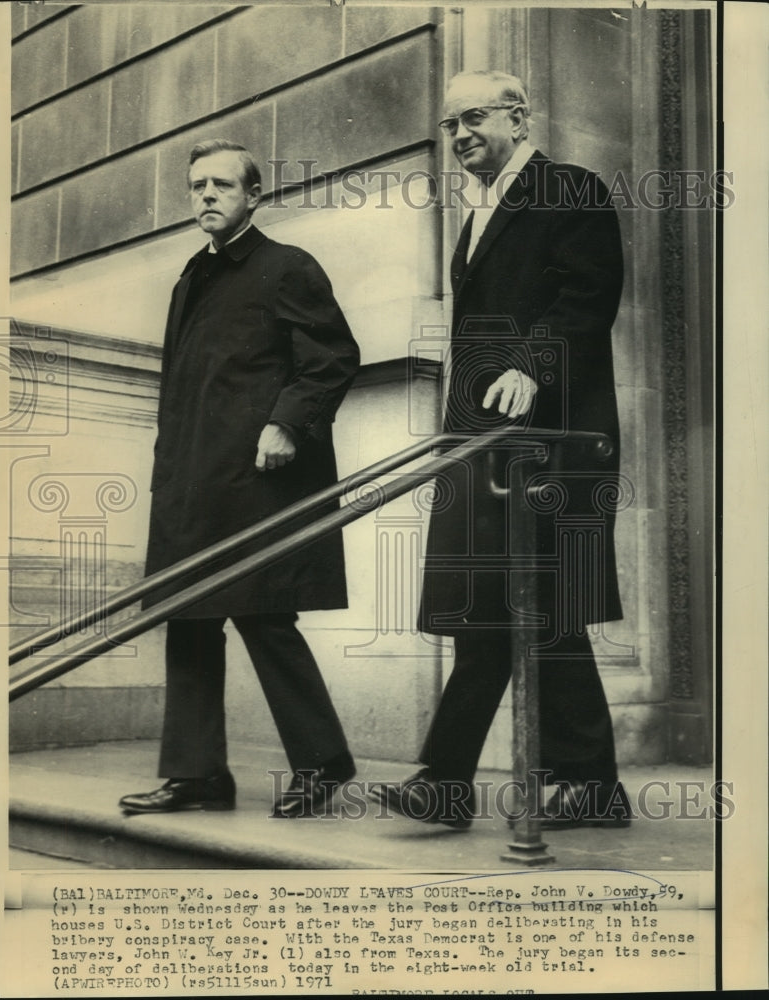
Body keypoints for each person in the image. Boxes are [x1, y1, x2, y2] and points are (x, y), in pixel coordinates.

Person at [369, 70, 631, 830]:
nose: (459, 136)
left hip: (550, 442)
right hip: (486, 447)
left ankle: (576, 782)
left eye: (473, 118)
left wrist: (530, 365)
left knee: (542, 609)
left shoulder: (569, 189)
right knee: (488, 611)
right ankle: (454, 783)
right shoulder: (477, 216)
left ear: (519, 117)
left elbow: (588, 298)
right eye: (450, 126)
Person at [119, 139, 360, 818]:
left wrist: (287, 422)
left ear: (254, 195)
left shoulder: (287, 267)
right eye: (197, 186)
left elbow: (334, 357)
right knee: (187, 619)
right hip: (194, 482)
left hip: (259, 478)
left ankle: (323, 763)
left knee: (265, 619)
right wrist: (168, 475)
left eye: (223, 185)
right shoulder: (191, 277)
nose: (207, 196)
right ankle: (196, 775)